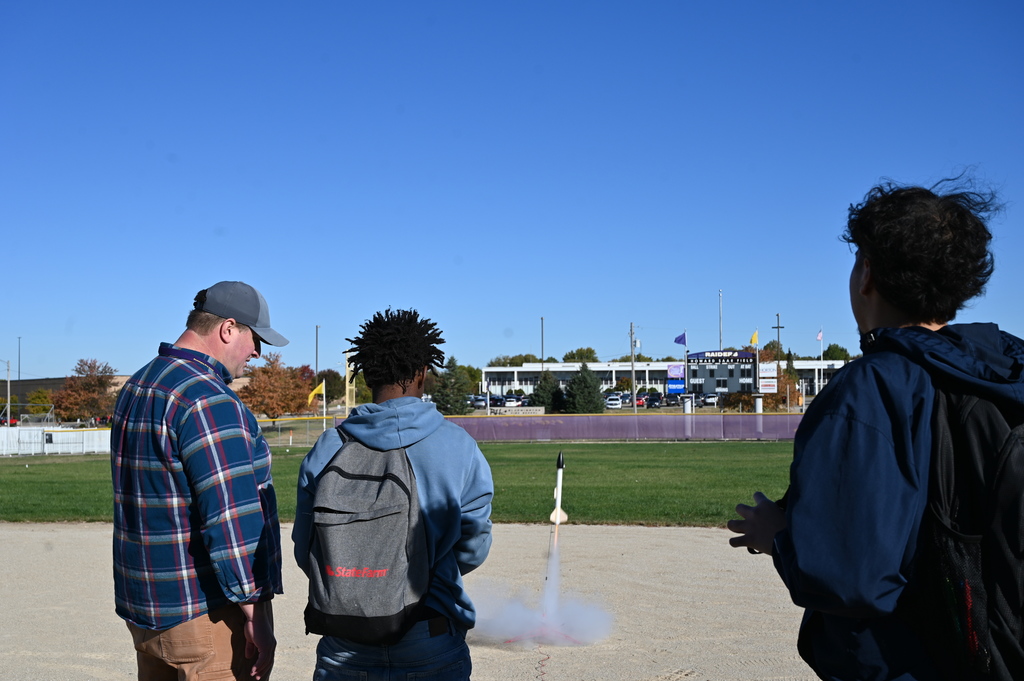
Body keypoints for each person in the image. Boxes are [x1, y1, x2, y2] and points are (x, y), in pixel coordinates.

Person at [727, 179, 1024, 681]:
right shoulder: (1004, 370)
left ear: (867, 273)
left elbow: (851, 579)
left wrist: (777, 536)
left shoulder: (872, 386)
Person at [294, 308, 493, 681]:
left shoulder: (328, 447)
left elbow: (306, 548)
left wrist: (360, 579)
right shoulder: (457, 445)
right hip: (430, 633)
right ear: (422, 373)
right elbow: (474, 546)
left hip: (345, 637)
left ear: (366, 374)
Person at [111, 281, 289, 681]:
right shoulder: (207, 397)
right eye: (256, 339)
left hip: (145, 609)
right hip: (203, 614)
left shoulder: (138, 384)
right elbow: (231, 517)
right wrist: (256, 614)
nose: (257, 353)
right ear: (228, 329)